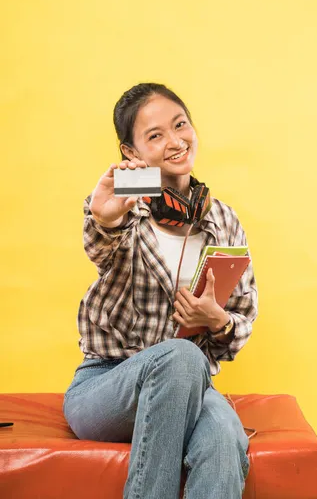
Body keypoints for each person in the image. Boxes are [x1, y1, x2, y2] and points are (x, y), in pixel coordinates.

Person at [63, 82, 258, 499]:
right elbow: (99, 242)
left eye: (180, 125)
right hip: (107, 385)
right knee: (184, 355)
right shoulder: (120, 204)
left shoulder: (222, 220)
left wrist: (216, 320)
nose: (175, 141)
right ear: (130, 153)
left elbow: (242, 315)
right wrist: (105, 218)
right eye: (155, 135)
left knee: (224, 437)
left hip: (192, 388)